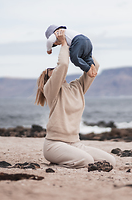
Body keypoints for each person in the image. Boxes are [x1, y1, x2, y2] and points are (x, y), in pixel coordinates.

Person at [35, 29, 116, 168]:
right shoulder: (51, 91)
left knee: (110, 161)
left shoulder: (77, 87)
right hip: (54, 144)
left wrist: (77, 44)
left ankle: (66, 159)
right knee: (86, 161)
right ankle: (58, 162)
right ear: (48, 79)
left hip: (75, 143)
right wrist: (63, 44)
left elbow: (95, 66)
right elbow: (63, 65)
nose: (55, 68)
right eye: (51, 69)